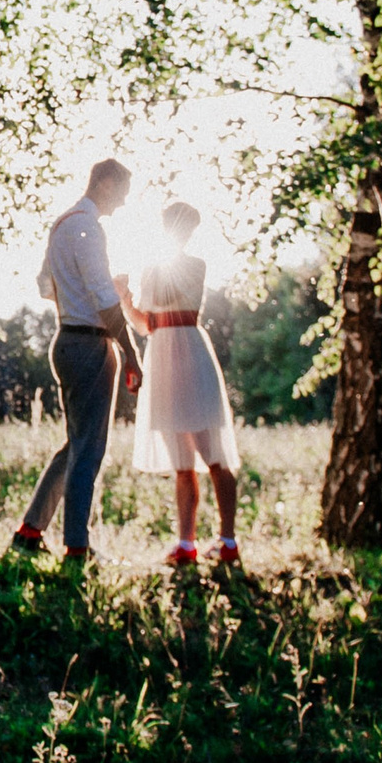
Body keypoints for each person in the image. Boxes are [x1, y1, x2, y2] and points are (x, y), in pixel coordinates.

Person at [11, 159, 143, 563]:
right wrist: (131, 352)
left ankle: (30, 531)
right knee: (89, 449)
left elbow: (45, 287)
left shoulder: (62, 224)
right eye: (121, 192)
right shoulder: (89, 228)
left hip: (65, 339)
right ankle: (77, 548)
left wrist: (80, 294)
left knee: (76, 444)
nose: (123, 203)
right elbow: (104, 299)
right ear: (103, 182)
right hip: (90, 346)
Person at [128, 200, 242, 566]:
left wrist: (141, 285)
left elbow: (163, 297)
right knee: (181, 461)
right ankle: (186, 543)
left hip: (190, 352)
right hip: (160, 353)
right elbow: (145, 323)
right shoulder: (152, 267)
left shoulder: (195, 265)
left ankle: (228, 540)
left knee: (214, 455)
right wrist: (124, 298)